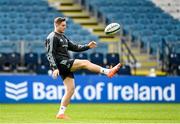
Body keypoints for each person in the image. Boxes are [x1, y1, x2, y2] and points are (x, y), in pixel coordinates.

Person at [45, 17, 121, 119]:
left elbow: (75, 47)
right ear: (56, 25)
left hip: (64, 65)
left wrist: (88, 46)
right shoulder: (52, 37)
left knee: (70, 89)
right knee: (85, 62)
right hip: (61, 63)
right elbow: (50, 54)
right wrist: (54, 68)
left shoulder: (63, 37)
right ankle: (107, 71)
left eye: (65, 25)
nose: (65, 27)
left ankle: (60, 113)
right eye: (63, 25)